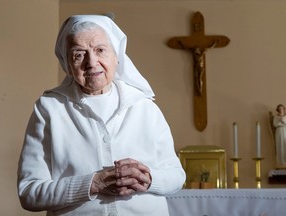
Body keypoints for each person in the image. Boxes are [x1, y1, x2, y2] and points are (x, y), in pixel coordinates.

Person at [17, 15, 186, 216]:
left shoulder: (144, 107)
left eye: (100, 50)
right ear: (67, 64)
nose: (91, 62)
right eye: (79, 54)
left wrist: (149, 179)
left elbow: (177, 176)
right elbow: (29, 192)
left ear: (117, 56)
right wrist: (93, 183)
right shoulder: (49, 109)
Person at [273, 104, 286, 168]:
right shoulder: (276, 117)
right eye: (279, 109)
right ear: (278, 110)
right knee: (280, 146)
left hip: (285, 132)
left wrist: (282, 120)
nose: (281, 110)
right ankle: (281, 163)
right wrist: (281, 123)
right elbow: (275, 124)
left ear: (284, 109)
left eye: (282, 109)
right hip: (279, 132)